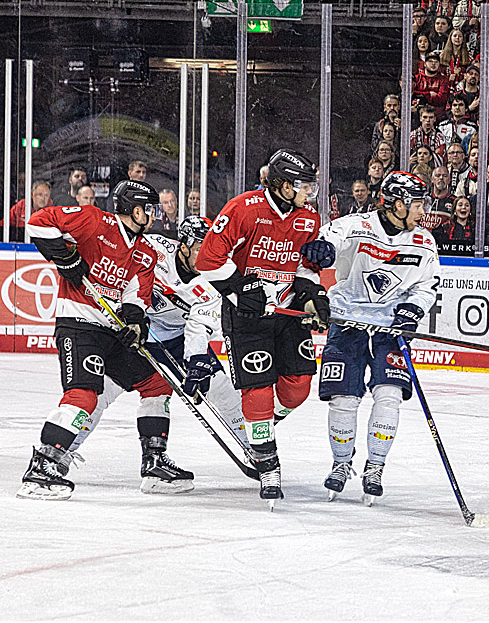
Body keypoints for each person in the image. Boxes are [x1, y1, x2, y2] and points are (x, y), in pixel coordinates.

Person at [18, 180, 183, 500]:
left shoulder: (146, 252)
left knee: (158, 383)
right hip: (79, 325)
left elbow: (136, 297)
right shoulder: (94, 221)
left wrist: (135, 325)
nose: (153, 215)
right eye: (149, 209)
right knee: (84, 396)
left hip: (112, 332)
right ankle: (43, 464)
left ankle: (153, 461)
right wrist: (64, 257)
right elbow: (38, 222)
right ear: (135, 210)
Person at [61, 216, 246, 486]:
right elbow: (123, 264)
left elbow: (200, 326)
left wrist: (196, 361)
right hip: (134, 329)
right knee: (101, 392)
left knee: (219, 388)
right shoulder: (154, 248)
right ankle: (60, 452)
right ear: (183, 245)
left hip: (178, 337)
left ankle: (256, 451)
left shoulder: (215, 280)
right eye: (199, 248)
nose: (205, 255)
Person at [195, 149, 329, 504]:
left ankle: (261, 426)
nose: (309, 193)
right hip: (247, 318)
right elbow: (208, 259)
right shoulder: (243, 208)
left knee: (298, 389)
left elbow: (304, 267)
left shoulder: (307, 218)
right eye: (304, 186)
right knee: (258, 391)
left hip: (286, 315)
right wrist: (239, 287)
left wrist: (314, 295)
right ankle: (267, 461)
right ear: (284, 185)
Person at [301, 171, 438, 504]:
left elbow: (426, 286)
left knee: (389, 395)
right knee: (344, 399)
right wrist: (322, 247)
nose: (422, 212)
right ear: (396, 204)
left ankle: (375, 466)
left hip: (391, 328)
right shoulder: (357, 225)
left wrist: (413, 309)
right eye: (416, 204)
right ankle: (341, 463)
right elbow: (330, 235)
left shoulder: (424, 241)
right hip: (347, 321)